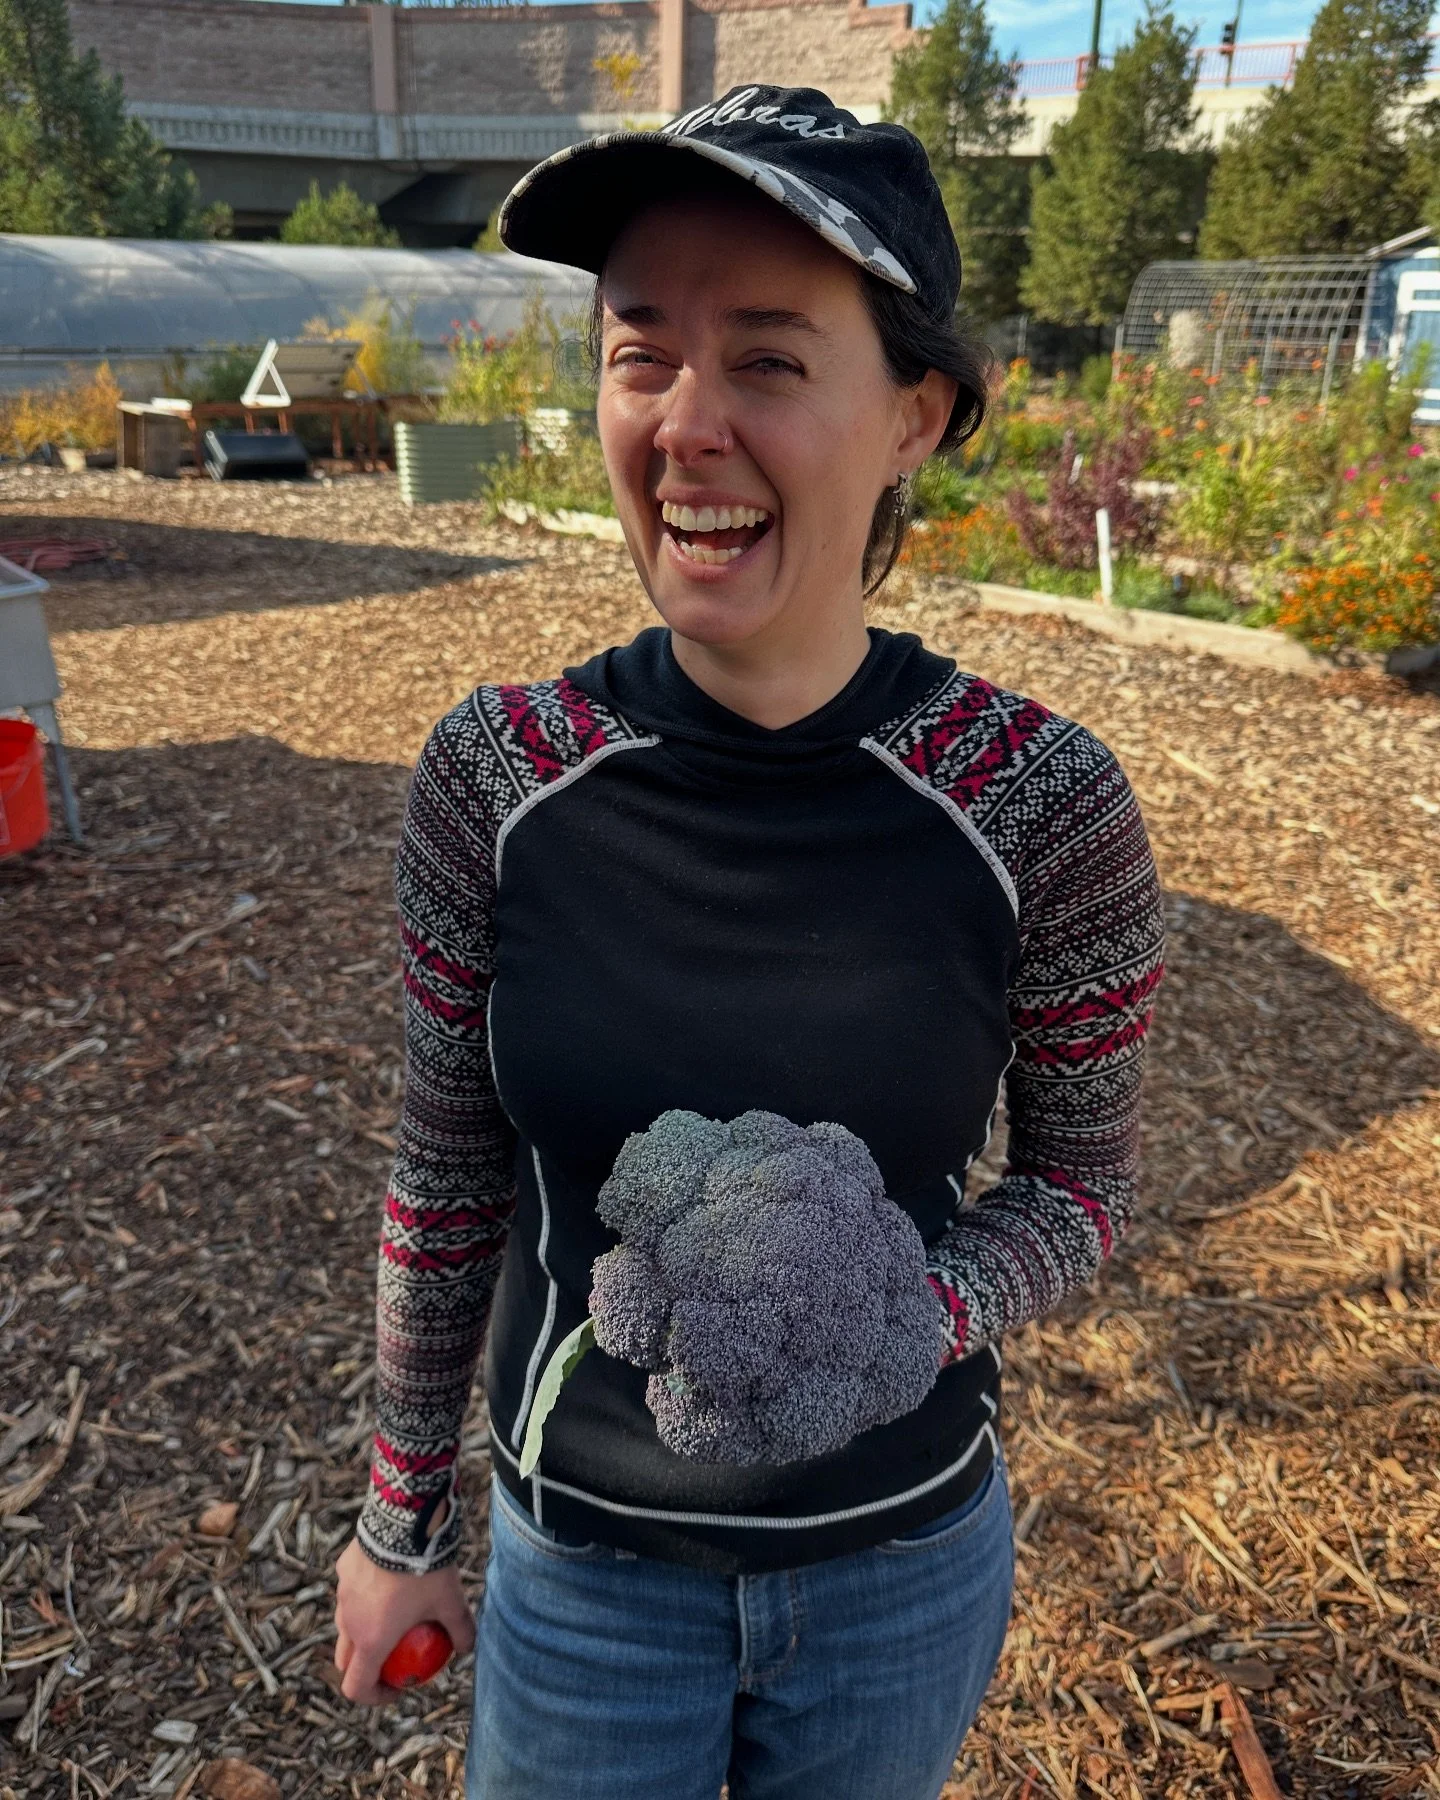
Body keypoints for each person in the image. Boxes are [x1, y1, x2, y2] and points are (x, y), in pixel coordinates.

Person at [333, 84, 1166, 1800]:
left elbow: (1080, 1190)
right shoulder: (495, 779)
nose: (688, 423)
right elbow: (446, 1170)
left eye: (772, 360)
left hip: (902, 1576)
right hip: (581, 1583)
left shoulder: (1041, 807)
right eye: (642, 352)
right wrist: (399, 1516)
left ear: (915, 415)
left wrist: (903, 1317)